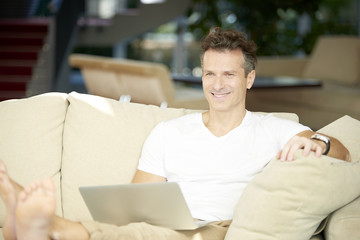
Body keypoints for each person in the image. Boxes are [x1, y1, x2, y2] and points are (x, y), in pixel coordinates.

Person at [0, 27, 351, 240]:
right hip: (170, 228)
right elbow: (135, 201)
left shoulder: (274, 127)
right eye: (209, 74)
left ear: (249, 78)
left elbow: (341, 152)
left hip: (219, 230)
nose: (217, 85)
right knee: (138, 232)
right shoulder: (168, 132)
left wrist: (316, 140)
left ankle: (50, 228)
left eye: (229, 75)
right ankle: (44, 229)